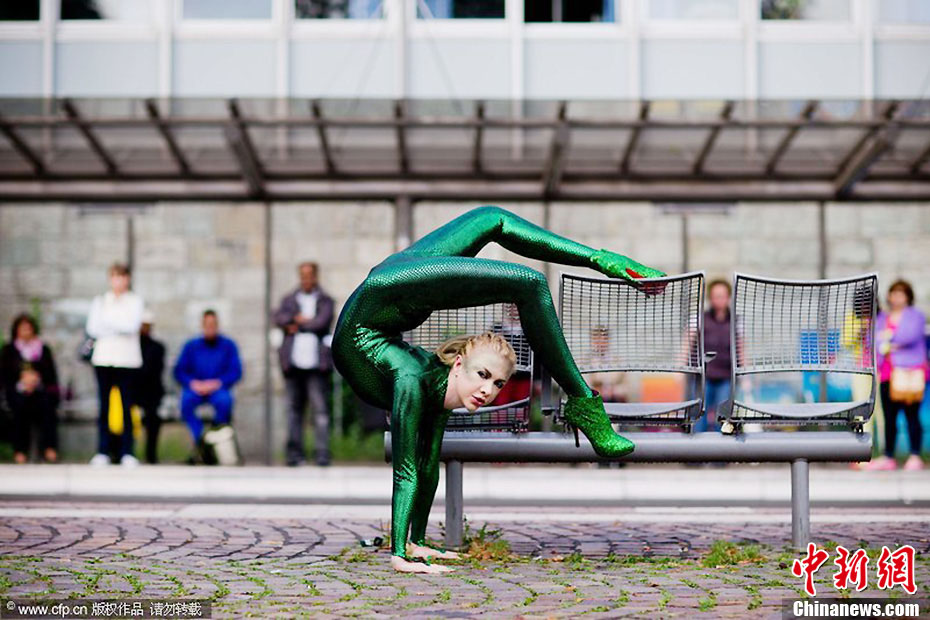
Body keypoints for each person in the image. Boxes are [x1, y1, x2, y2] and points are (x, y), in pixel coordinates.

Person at [331, 205, 664, 573]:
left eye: (497, 383)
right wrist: (400, 556)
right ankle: (585, 402)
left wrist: (419, 544)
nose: (488, 391)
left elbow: (428, 464)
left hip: (396, 285)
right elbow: (407, 468)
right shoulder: (410, 379)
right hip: (391, 295)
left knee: (492, 218)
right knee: (529, 283)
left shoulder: (433, 379)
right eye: (484, 376)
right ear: (459, 364)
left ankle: (603, 259)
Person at [273, 262, 336, 467]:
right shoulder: (290, 299)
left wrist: (297, 324)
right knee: (293, 411)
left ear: (316, 276)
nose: (306, 279)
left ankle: (322, 453)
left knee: (320, 411)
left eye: (309, 275)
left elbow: (322, 321)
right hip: (293, 364)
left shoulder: (325, 300)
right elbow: (278, 317)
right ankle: (294, 453)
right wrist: (296, 319)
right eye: (303, 275)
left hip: (317, 365)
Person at [86, 262, 144, 467]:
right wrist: (116, 326)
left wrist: (109, 325)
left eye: (122, 276)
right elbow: (93, 328)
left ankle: (127, 451)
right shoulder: (101, 301)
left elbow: (131, 326)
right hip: (103, 359)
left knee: (127, 406)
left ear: (127, 279)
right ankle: (103, 450)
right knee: (104, 406)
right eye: (114, 276)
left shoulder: (135, 301)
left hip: (127, 360)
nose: (118, 281)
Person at [866, 280, 927, 471]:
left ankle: (915, 455)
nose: (897, 298)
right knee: (889, 417)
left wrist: (889, 340)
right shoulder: (883, 317)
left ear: (908, 297)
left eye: (901, 294)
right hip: (887, 374)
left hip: (909, 373)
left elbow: (910, 335)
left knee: (912, 416)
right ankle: (888, 456)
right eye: (894, 293)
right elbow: (873, 339)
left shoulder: (915, 316)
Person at [173, 310, 243, 459]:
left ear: (217, 325)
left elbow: (236, 371)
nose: (210, 328)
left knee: (225, 401)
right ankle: (201, 440)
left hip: (218, 389)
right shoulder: (191, 346)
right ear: (202, 325)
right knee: (185, 402)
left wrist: (218, 383)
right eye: (207, 325)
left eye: (213, 324)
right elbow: (179, 371)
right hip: (196, 389)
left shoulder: (228, 346)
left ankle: (215, 436)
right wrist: (192, 383)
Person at [0, 314, 60, 464]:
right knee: (19, 409)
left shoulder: (43, 349)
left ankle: (49, 448)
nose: (26, 331)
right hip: (17, 392)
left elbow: (51, 374)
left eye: (29, 328)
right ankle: (20, 450)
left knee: (47, 407)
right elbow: (5, 374)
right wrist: (22, 382)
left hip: (40, 391)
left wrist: (35, 379)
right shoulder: (9, 349)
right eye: (23, 329)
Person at [695, 279, 732, 433]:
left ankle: (721, 453)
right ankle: (697, 453)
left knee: (722, 417)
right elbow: (688, 342)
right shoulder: (700, 319)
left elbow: (741, 347)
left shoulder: (735, 321)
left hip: (725, 377)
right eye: (716, 296)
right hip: (704, 377)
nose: (719, 299)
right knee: (699, 415)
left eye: (722, 296)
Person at [137, 311, 166, 464]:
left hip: (150, 392)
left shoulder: (157, 347)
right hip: (132, 391)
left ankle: (151, 454)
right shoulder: (131, 346)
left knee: (153, 417)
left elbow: (153, 373)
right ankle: (119, 451)